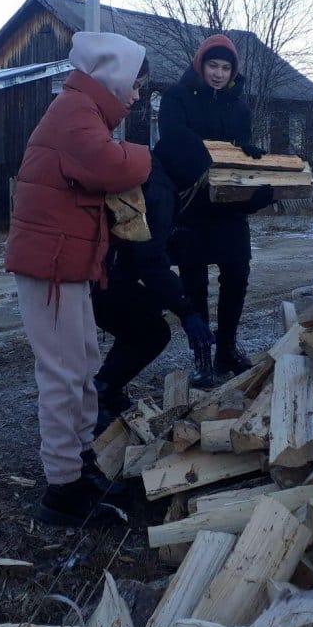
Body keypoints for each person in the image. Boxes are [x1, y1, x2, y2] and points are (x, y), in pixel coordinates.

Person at [5, 31, 151, 527]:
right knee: (64, 374)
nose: (135, 96)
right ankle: (63, 493)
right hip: (50, 266)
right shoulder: (74, 115)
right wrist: (157, 158)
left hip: (62, 263)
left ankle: (79, 464)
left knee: (82, 361)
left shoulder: (81, 112)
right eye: (133, 84)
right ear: (110, 77)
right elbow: (109, 166)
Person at [157, 34, 273, 388]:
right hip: (192, 204)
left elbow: (239, 148)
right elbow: (173, 140)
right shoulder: (177, 97)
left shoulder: (238, 106)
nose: (219, 73)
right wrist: (217, 155)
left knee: (236, 276)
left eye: (226, 67)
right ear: (200, 65)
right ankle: (202, 358)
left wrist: (244, 154)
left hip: (229, 206)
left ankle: (226, 348)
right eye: (213, 65)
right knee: (194, 281)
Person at [91, 128, 215, 435]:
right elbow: (150, 262)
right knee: (152, 331)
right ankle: (99, 394)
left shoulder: (148, 172)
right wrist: (187, 311)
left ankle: (108, 387)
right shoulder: (159, 192)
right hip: (100, 277)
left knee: (146, 310)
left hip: (97, 271)